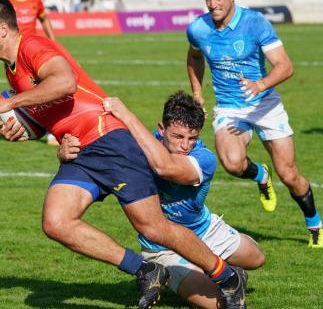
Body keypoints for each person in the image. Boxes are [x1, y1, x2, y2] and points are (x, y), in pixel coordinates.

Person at [0, 0, 247, 309]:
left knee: (153, 227)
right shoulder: (11, 69)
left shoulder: (33, 46)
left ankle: (227, 277)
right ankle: (146, 269)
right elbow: (53, 111)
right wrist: (25, 131)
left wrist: (10, 102)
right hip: (81, 152)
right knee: (56, 222)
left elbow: (65, 82)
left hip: (108, 139)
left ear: (2, 29)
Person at [58, 91, 265, 309]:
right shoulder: (139, 148)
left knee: (257, 258)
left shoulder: (204, 158)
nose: (185, 146)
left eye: (192, 138)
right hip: (163, 248)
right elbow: (98, 161)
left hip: (205, 231)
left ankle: (224, 269)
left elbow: (166, 168)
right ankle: (196, 272)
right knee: (217, 304)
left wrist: (127, 115)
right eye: (178, 137)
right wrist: (66, 154)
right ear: (161, 129)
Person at [186, 0, 323, 248]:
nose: (213, 4)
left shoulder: (255, 23)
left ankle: (315, 223)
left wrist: (260, 85)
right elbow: (193, 57)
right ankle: (261, 175)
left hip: (265, 105)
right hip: (229, 108)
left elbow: (285, 66)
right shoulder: (198, 28)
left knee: (289, 175)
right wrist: (197, 93)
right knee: (232, 162)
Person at [6, 0, 58, 146]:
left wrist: (54, 42)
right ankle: (35, 126)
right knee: (27, 93)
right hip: (14, 55)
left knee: (45, 90)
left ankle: (52, 130)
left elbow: (44, 19)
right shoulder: (6, 1)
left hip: (35, 52)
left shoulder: (35, 0)